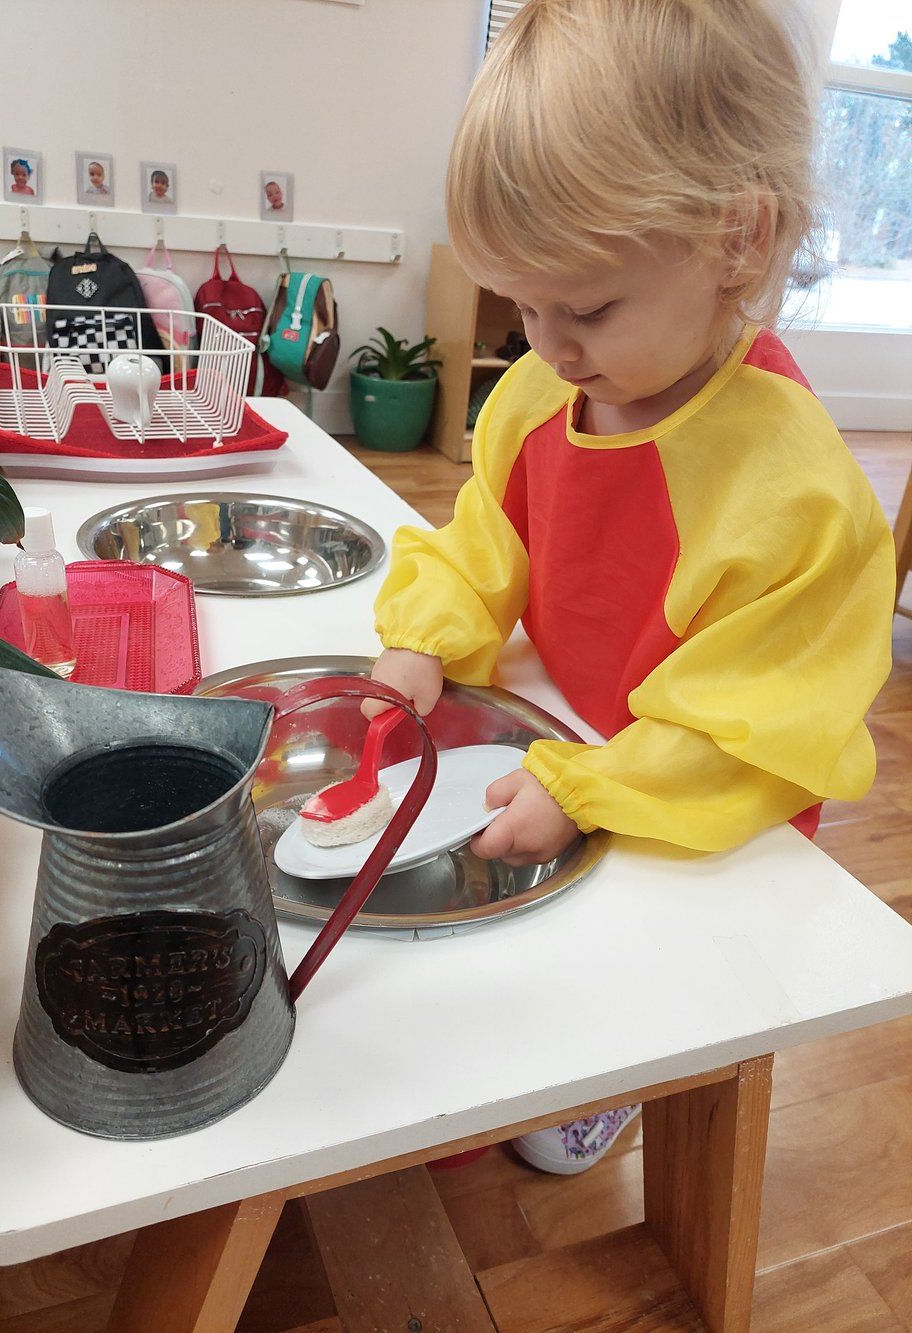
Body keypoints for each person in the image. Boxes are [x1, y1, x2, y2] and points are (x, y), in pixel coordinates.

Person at [367, 0, 895, 1176]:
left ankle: (634, 1075)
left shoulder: (798, 493)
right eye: (523, 308)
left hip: (701, 797)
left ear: (735, 243)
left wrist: (596, 784)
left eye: (586, 309)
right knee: (542, 939)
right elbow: (480, 539)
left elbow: (749, 731)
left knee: (658, 973)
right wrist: (424, 639)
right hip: (574, 722)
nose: (545, 345)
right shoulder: (540, 395)